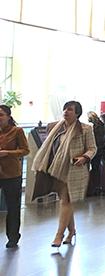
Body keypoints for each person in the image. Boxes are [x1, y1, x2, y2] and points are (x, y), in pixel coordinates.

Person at [32, 101, 97, 248]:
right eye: (65, 109)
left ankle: (59, 235)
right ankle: (72, 230)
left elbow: (92, 149)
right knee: (66, 201)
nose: (66, 112)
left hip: (75, 170)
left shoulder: (85, 129)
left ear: (77, 114)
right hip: (57, 169)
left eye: (70, 110)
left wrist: (84, 157)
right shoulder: (54, 128)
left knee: (67, 200)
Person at [0, 105, 29, 248]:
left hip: (11, 173)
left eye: (1, 115)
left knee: (12, 205)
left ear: (8, 117)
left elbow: (25, 150)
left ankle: (13, 236)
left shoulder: (17, 131)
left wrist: (8, 153)